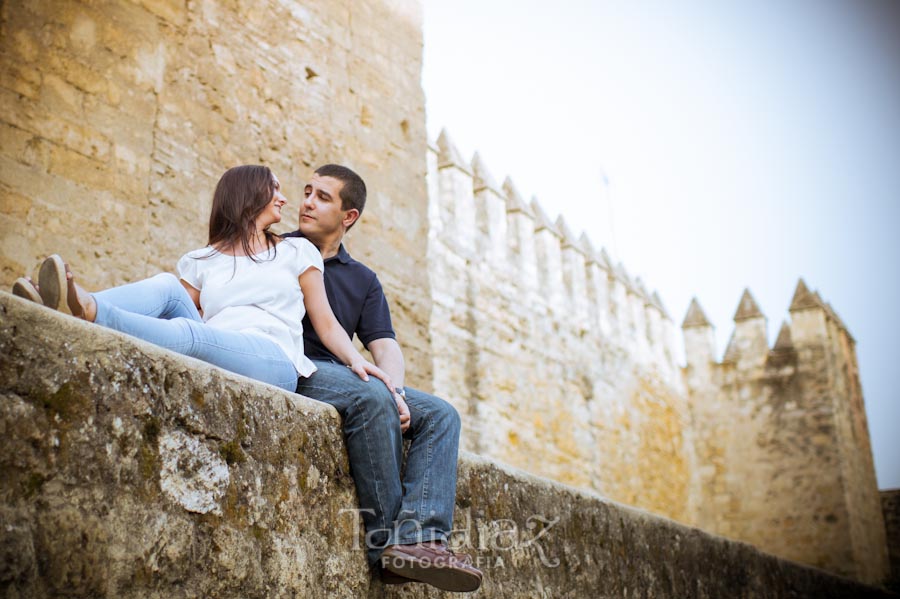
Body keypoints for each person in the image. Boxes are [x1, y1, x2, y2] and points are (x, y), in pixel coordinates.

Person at [14, 165, 390, 394]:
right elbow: (166, 306)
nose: (286, 200)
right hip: (221, 346)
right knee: (166, 286)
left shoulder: (297, 251)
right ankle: (66, 303)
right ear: (250, 195)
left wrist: (357, 361)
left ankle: (88, 309)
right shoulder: (202, 259)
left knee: (191, 335)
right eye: (275, 189)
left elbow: (326, 325)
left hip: (271, 357)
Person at [285, 164, 483, 592]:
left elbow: (385, 345)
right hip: (296, 366)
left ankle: (421, 538)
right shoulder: (278, 250)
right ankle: (390, 547)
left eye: (322, 197)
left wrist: (397, 392)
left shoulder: (363, 279)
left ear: (348, 217)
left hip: (352, 372)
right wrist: (379, 389)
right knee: (372, 395)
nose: (306, 202)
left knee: (442, 415)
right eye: (306, 192)